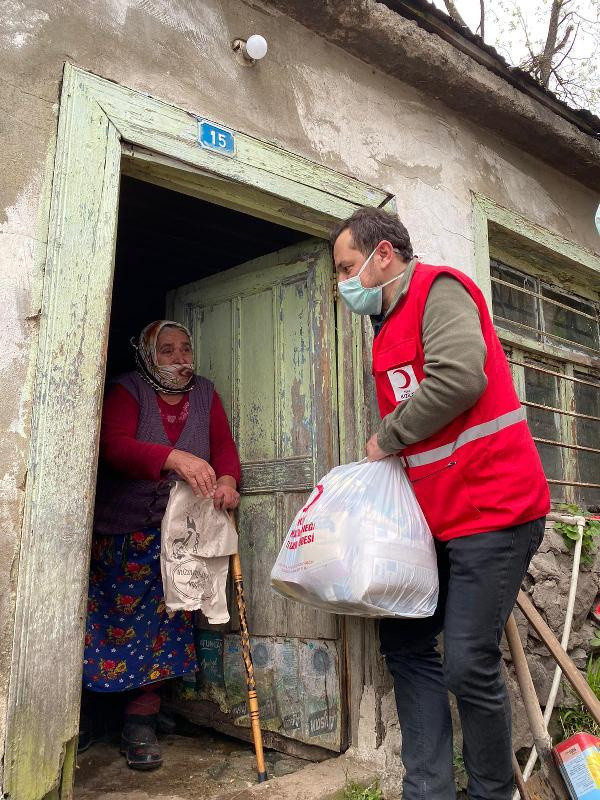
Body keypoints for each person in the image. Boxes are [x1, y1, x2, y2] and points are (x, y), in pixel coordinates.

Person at [331, 207, 550, 800]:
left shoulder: (439, 289)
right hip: (443, 520)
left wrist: (386, 437)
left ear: (383, 255)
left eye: (348, 267)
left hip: (497, 509)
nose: (343, 283)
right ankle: (428, 789)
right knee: (404, 642)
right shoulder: (385, 325)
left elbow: (459, 379)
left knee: (466, 663)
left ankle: (491, 791)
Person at [81, 320, 241, 770]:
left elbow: (223, 446)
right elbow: (112, 446)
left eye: (185, 348)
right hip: (125, 529)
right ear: (149, 356)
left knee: (169, 621)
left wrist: (227, 479)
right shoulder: (127, 391)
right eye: (167, 350)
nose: (179, 358)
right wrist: (173, 457)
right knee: (112, 622)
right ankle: (96, 715)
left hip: (178, 531)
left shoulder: (206, 394)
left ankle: (141, 721)